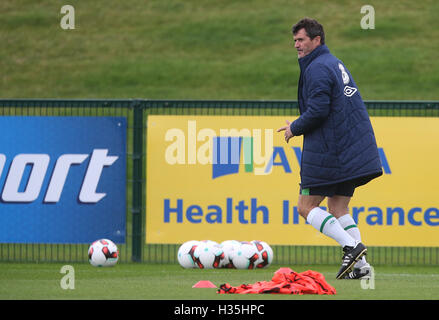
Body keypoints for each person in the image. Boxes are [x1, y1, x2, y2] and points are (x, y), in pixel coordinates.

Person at [277, 18, 383, 279]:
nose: (297, 45)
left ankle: (351, 247)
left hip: (332, 150)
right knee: (338, 207)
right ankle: (361, 266)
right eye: (295, 41)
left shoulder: (318, 67)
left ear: (317, 40)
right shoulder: (332, 62)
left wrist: (295, 128)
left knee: (305, 206)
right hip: (352, 148)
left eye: (301, 40)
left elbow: (318, 111)